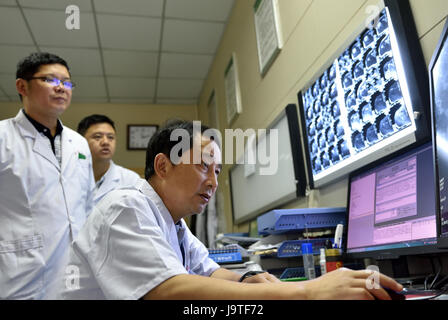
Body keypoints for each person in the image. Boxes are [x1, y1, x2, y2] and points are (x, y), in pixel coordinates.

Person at [61, 120, 402, 300]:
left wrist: (250, 277)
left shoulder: (175, 224)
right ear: (163, 166)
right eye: (203, 167)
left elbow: (208, 271)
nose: (212, 182)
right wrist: (307, 292)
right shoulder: (127, 208)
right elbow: (169, 290)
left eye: (218, 172)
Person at [0, 52, 95, 299]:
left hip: (76, 270)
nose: (61, 88)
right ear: (22, 86)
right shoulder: (3, 138)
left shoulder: (79, 143)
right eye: (51, 80)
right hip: (19, 271)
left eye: (66, 82)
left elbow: (88, 206)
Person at [77, 114, 141, 205]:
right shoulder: (69, 176)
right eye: (97, 136)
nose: (105, 142)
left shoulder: (131, 180)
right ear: (81, 141)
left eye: (110, 137)